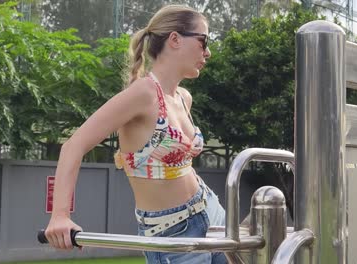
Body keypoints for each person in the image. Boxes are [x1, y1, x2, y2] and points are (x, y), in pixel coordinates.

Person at [45, 5, 227, 263]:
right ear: (175, 39)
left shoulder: (184, 98)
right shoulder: (143, 94)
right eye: (203, 41)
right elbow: (74, 145)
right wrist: (59, 215)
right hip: (172, 233)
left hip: (212, 212)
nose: (207, 52)